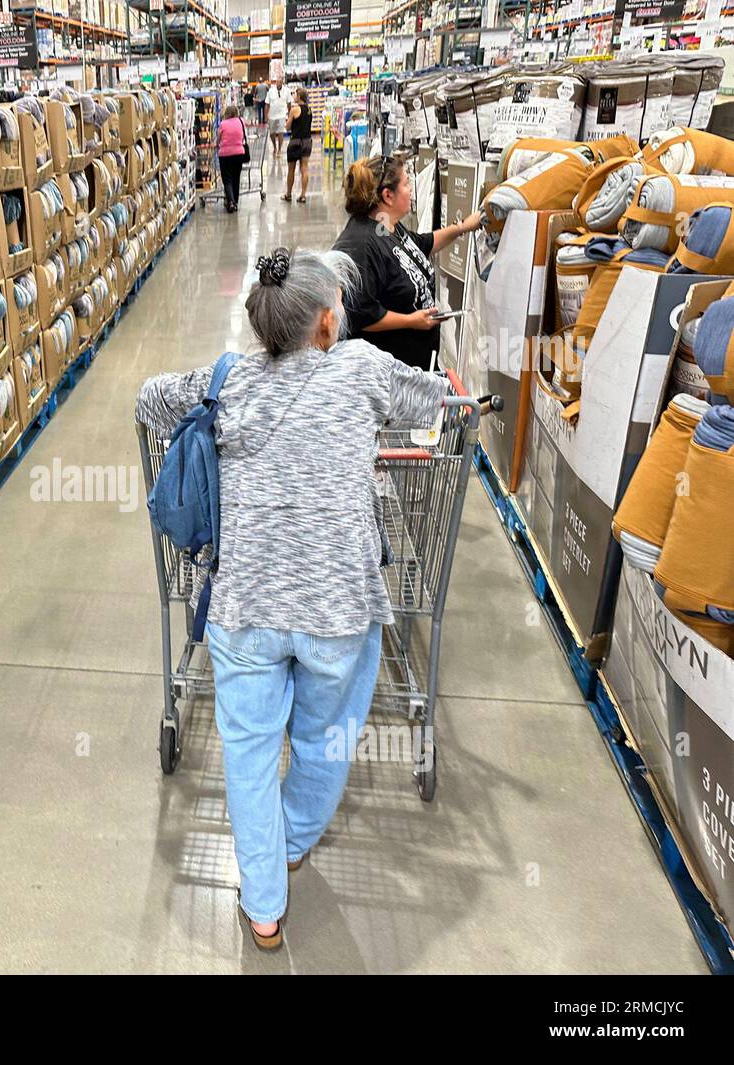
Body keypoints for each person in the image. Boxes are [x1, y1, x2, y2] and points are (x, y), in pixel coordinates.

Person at [134, 248, 449, 952]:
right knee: (324, 738)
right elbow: (436, 401)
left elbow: (150, 401)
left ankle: (265, 901)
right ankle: (297, 836)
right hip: (337, 605)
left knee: (246, 751)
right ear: (330, 322)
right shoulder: (363, 369)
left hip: (245, 604)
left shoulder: (230, 378)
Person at [333, 155, 483, 370]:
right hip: (390, 375)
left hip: (415, 363)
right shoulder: (361, 245)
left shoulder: (383, 225)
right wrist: (411, 321)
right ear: (388, 195)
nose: (411, 188)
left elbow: (420, 244)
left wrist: (462, 228)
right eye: (406, 183)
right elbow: (360, 315)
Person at [280, 89, 312, 204]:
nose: (293, 96)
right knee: (304, 168)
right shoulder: (309, 109)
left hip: (295, 142)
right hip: (307, 141)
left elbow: (288, 127)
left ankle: (288, 194)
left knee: (291, 169)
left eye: (295, 94)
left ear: (299, 96)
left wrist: (287, 122)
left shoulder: (294, 110)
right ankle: (303, 195)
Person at [216, 105, 249, 213]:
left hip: (225, 155)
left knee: (227, 179)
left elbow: (219, 139)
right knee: (236, 178)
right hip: (239, 153)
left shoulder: (223, 124)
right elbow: (244, 137)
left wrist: (218, 145)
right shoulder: (241, 121)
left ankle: (230, 201)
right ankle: (235, 201)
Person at [264, 79, 288, 156]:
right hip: (272, 115)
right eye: (277, 82)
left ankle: (279, 149)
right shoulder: (270, 91)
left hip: (282, 115)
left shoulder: (286, 91)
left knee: (281, 132)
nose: (279, 83)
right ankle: (275, 147)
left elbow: (289, 102)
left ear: (282, 83)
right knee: (272, 133)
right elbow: (267, 104)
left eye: (280, 82)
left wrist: (290, 114)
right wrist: (266, 116)